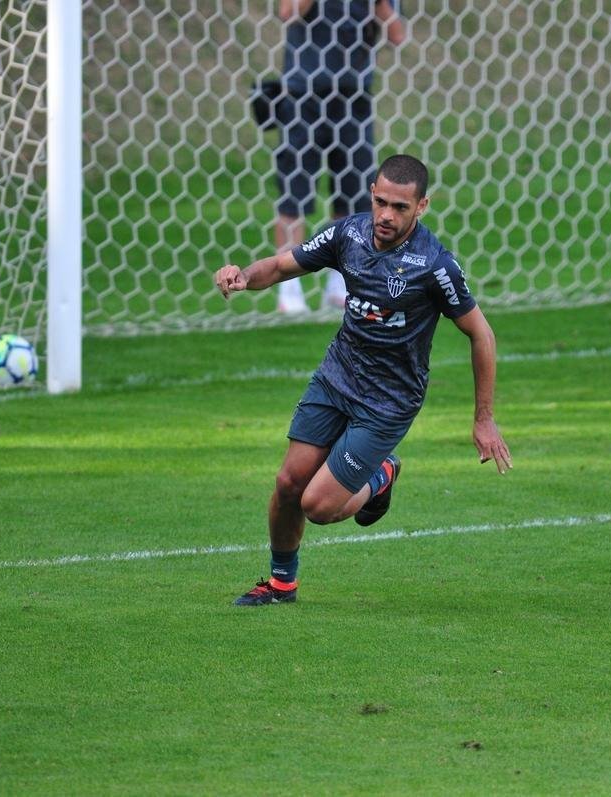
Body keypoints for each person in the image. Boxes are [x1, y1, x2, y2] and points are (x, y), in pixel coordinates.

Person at [213, 154, 512, 605]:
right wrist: (241, 275)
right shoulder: (347, 234)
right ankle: (280, 585)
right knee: (289, 484)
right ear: (371, 193)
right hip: (337, 378)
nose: (386, 216)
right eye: (380, 202)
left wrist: (484, 418)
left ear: (422, 207)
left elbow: (481, 335)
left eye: (400, 208)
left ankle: (383, 472)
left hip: (388, 402)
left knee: (318, 506)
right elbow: (279, 266)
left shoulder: (434, 266)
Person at [272, 0, 405, 314]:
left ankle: (338, 285)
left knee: (353, 196)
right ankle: (288, 289)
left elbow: (396, 34)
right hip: (303, 94)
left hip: (353, 98)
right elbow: (287, 13)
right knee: (295, 194)